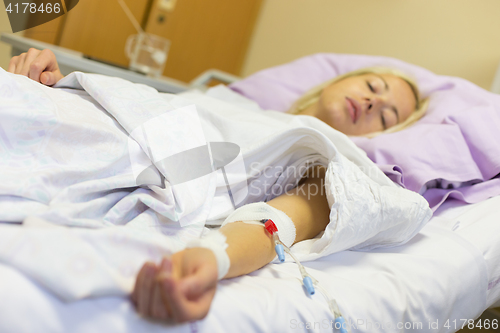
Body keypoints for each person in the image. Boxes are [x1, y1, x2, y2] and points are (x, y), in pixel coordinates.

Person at [7, 48, 427, 323]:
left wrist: (213, 258)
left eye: (387, 116)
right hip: (89, 115)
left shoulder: (322, 150)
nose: (373, 101)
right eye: (373, 86)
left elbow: (287, 217)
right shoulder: (226, 99)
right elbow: (147, 111)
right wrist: (53, 85)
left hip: (120, 158)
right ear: (335, 82)